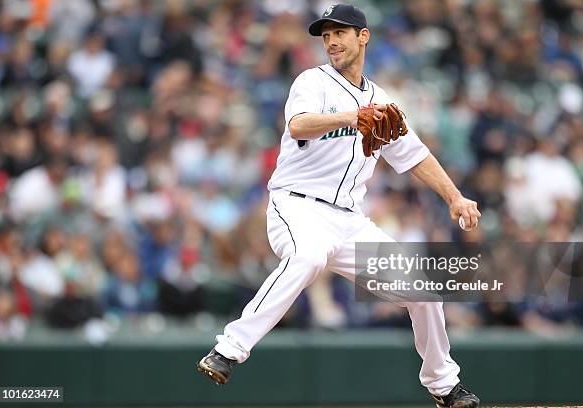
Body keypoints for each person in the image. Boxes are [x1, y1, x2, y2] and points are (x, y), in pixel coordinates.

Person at [197, 5, 481, 408]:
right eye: (325, 35)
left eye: (340, 33)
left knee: (423, 292)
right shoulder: (312, 81)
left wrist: (454, 196)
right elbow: (299, 124)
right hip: (297, 206)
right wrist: (353, 116)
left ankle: (445, 387)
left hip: (350, 221)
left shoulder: (381, 101)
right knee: (308, 256)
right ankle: (228, 349)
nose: (331, 41)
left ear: (363, 37)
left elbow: (414, 155)